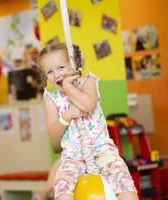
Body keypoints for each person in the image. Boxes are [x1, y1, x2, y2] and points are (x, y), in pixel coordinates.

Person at [37, 43, 138, 200]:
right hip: (72, 156)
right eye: (50, 71)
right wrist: (67, 115)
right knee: (62, 188)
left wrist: (67, 86)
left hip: (101, 149)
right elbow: (53, 133)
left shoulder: (88, 81)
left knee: (123, 181)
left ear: (74, 64)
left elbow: (88, 105)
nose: (56, 75)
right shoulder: (51, 98)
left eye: (61, 68)